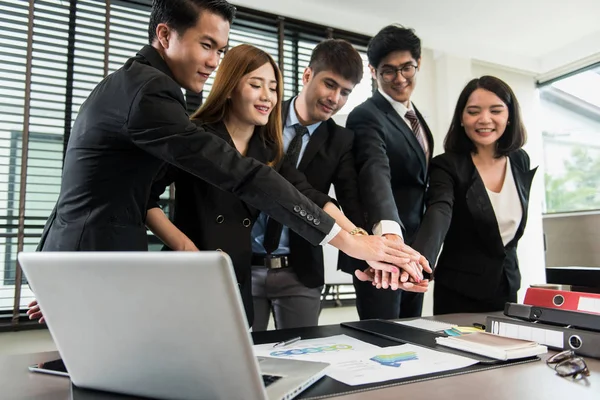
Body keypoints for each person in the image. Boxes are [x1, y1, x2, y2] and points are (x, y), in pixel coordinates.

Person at [27, 0, 427, 322]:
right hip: (100, 265)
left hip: (90, 261)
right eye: (206, 46)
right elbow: (242, 177)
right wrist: (64, 274)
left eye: (220, 50)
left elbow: (307, 193)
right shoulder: (153, 93)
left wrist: (363, 241)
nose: (214, 60)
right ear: (164, 35)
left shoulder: (142, 85)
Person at [146, 43, 368, 325]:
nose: (268, 97)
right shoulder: (195, 137)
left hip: (236, 277)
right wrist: (186, 248)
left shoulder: (268, 149)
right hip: (192, 276)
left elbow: (305, 194)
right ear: (229, 87)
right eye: (256, 85)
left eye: (273, 88)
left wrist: (360, 239)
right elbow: (144, 198)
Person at [250, 39, 366, 331]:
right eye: (330, 84)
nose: (335, 98)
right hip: (241, 264)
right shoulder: (262, 115)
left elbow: (351, 199)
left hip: (299, 270)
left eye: (345, 92)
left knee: (301, 360)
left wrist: (364, 248)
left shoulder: (341, 141)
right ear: (306, 75)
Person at [411, 75, 537, 315]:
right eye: (474, 111)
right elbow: (439, 210)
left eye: (496, 110)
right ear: (461, 118)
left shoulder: (520, 160)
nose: (485, 119)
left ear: (509, 116)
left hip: (507, 286)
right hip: (460, 292)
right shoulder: (446, 165)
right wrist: (420, 262)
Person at [340, 25, 433, 320]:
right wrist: (388, 237)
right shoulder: (366, 116)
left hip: (413, 251)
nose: (400, 78)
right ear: (373, 71)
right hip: (379, 252)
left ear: (418, 64)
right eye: (388, 71)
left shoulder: (417, 118)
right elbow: (374, 172)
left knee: (412, 335)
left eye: (407, 67)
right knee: (381, 339)